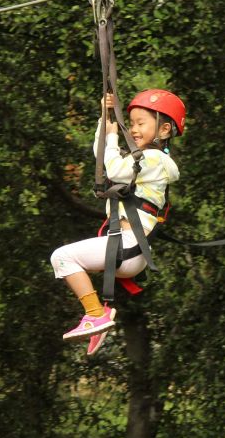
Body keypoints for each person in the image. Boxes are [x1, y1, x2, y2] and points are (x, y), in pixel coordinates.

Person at [50, 89, 185, 355]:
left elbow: (113, 169)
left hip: (129, 245)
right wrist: (105, 118)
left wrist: (112, 136)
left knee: (62, 257)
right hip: (127, 246)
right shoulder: (142, 160)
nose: (133, 129)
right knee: (65, 258)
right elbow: (104, 158)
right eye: (131, 123)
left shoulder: (154, 159)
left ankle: (95, 313)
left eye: (140, 123)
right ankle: (97, 316)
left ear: (165, 130)